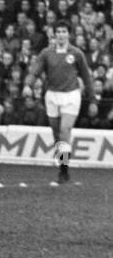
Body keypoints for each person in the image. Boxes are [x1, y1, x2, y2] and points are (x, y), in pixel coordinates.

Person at [27, 22, 93, 184]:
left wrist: (92, 100)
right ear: (54, 34)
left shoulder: (76, 53)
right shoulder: (46, 53)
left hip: (71, 95)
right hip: (52, 96)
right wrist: (27, 85)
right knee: (57, 136)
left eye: (64, 31)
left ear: (68, 34)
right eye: (58, 31)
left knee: (65, 131)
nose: (61, 34)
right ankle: (62, 167)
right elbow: (35, 71)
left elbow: (86, 77)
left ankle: (64, 170)